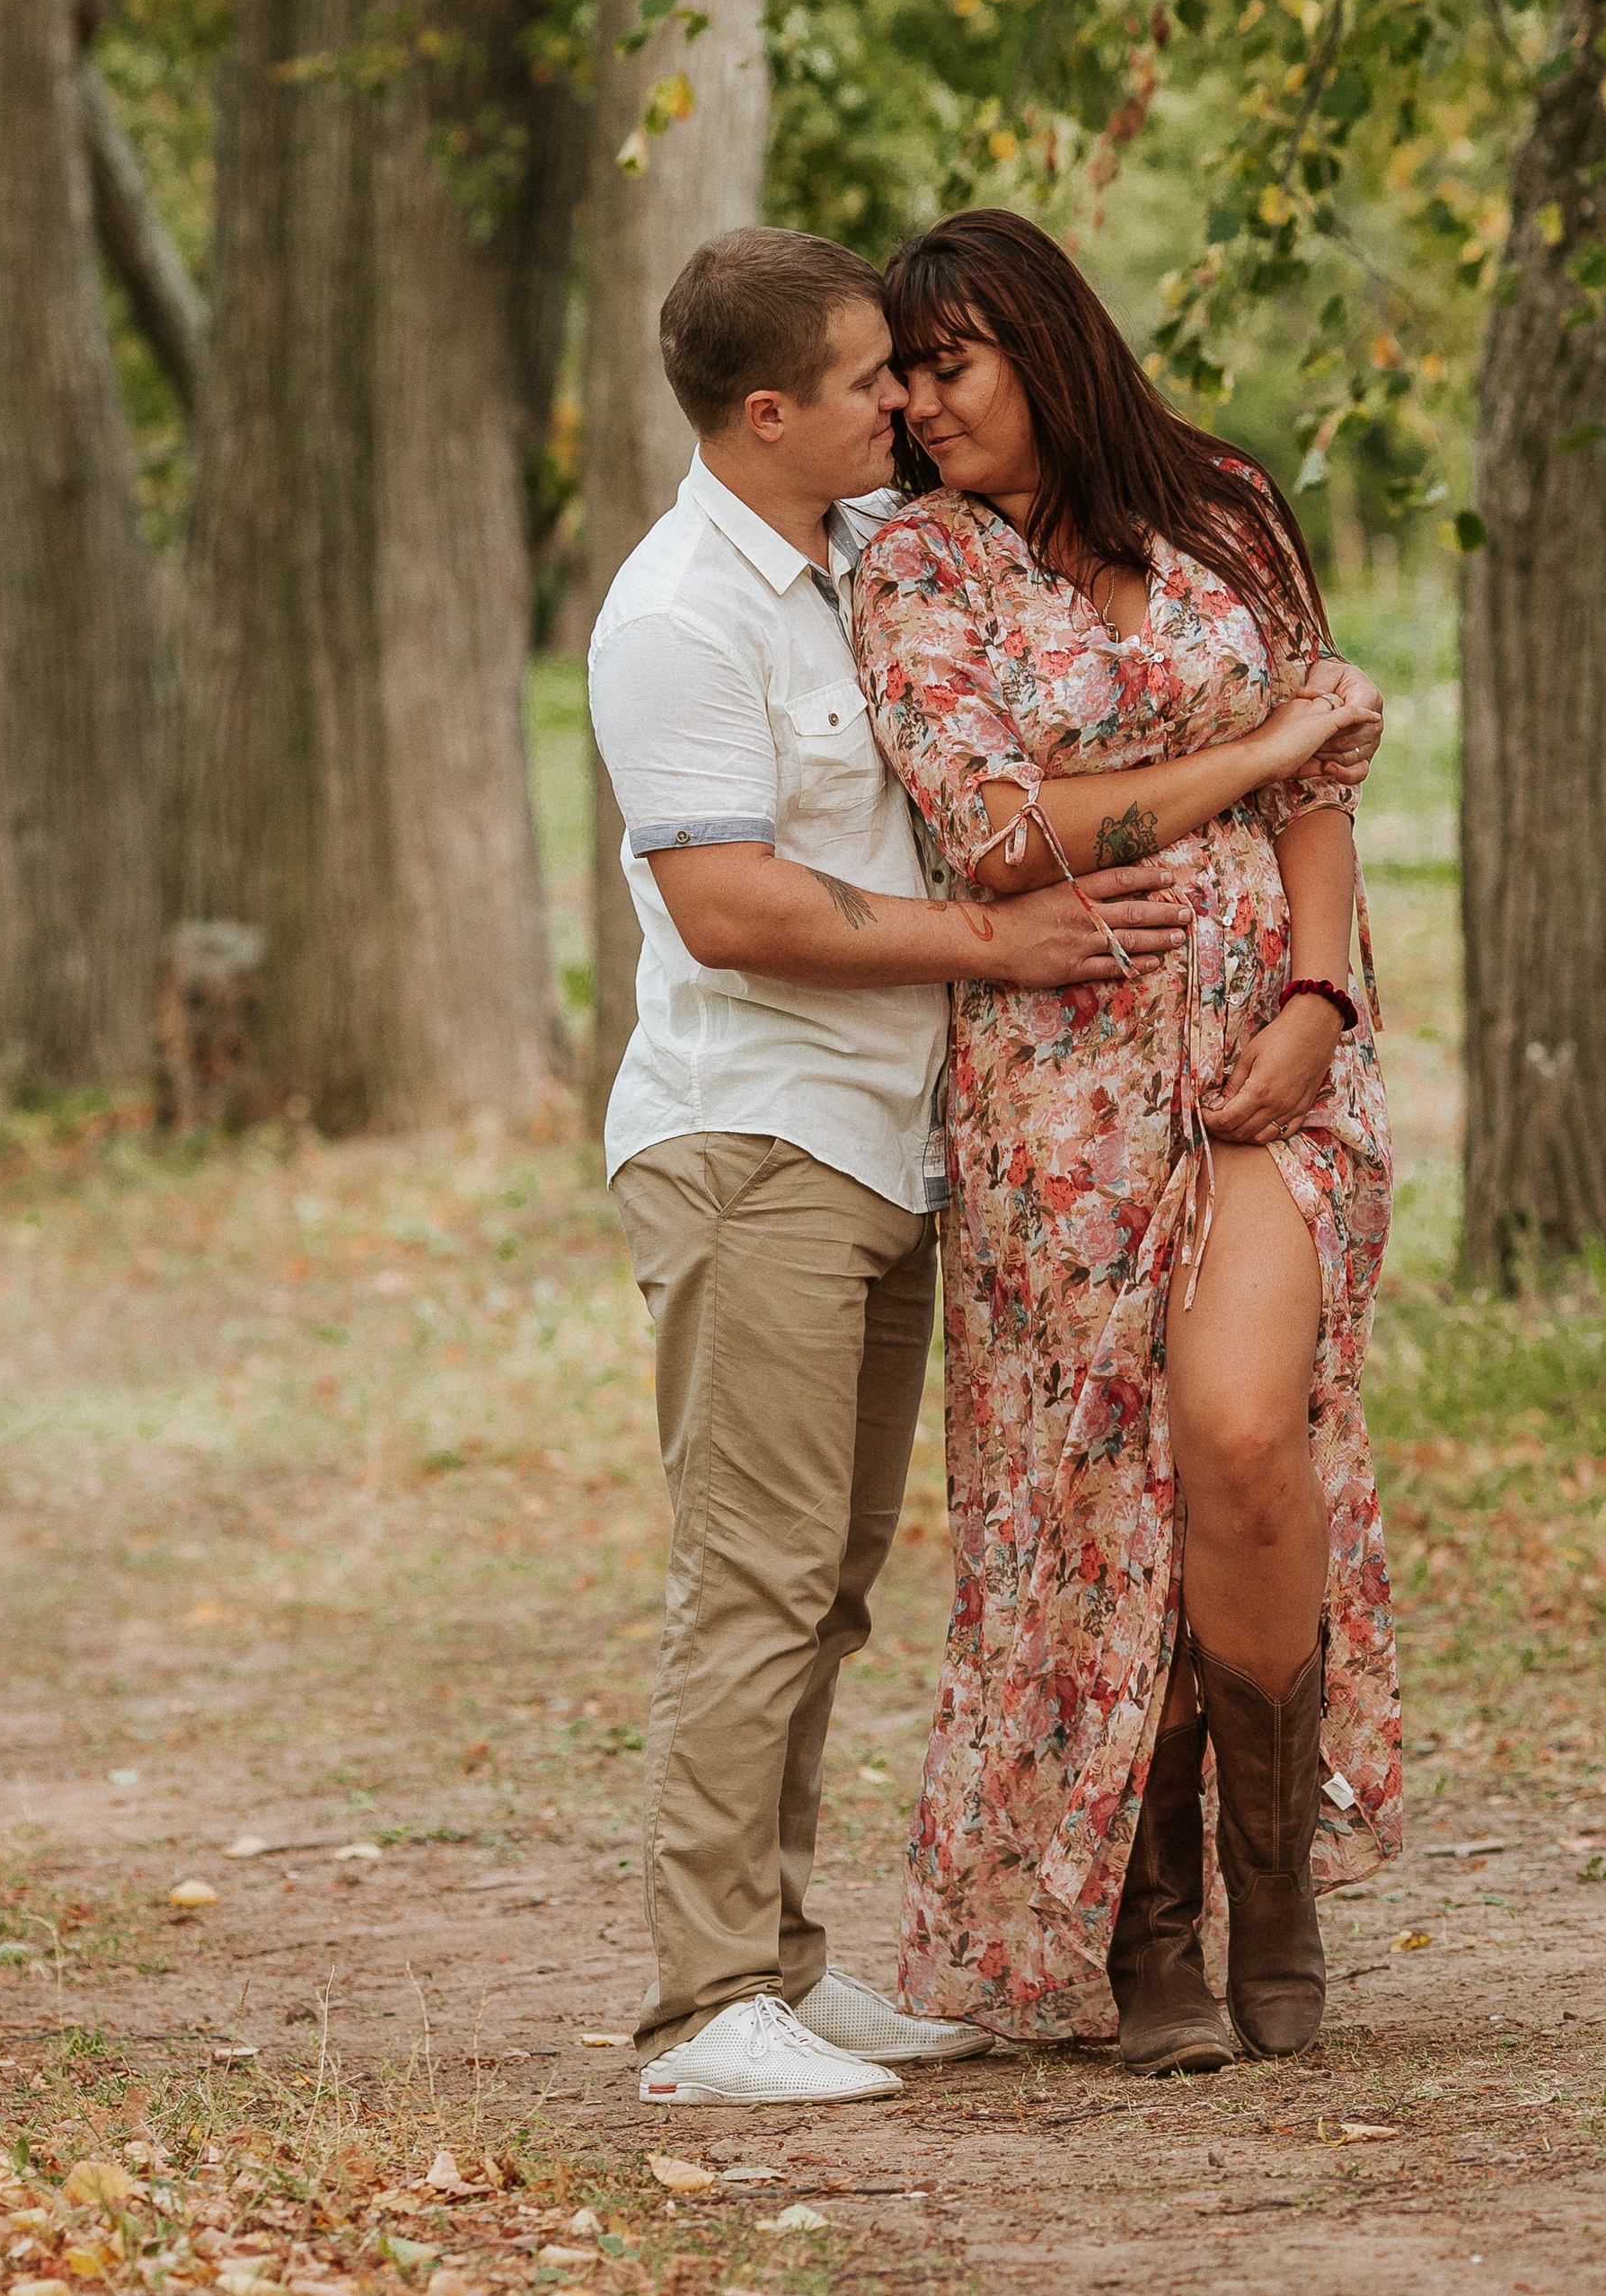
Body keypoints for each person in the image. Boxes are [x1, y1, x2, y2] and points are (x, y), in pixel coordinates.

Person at [588, 225, 1190, 2108]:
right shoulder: (674, 614)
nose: (904, 403)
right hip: (747, 1140)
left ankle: (778, 1964)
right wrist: (992, 951)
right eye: (868, 380)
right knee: (750, 1578)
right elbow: (727, 902)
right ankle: (700, 2014)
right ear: (766, 414)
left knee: (826, 1581)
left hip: (878, 1145)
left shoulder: (859, 558)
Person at [851, 209, 1400, 2071]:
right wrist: (1241, 759)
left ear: (1042, 343)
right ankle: (1139, 1926)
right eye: (901, 381)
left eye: (950, 367)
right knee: (1096, 1490)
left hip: (1270, 1060)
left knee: (1239, 1437)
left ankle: (1272, 1897)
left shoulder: (1224, 506)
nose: (919, 411)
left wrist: (1317, 1005)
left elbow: (1329, 786)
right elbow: (995, 832)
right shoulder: (914, 564)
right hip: (1056, 1100)